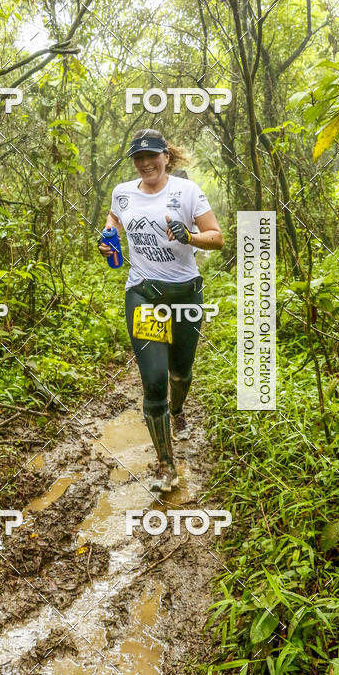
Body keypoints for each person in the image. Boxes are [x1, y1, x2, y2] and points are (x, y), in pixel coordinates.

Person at [98, 129, 223, 492]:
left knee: (180, 373)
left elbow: (216, 236)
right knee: (154, 382)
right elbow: (114, 216)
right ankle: (166, 466)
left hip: (185, 295)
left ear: (166, 156)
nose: (145, 163)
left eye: (151, 155)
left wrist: (189, 237)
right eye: (138, 158)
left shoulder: (187, 191)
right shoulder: (123, 192)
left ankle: (179, 411)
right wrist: (109, 238)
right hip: (144, 295)